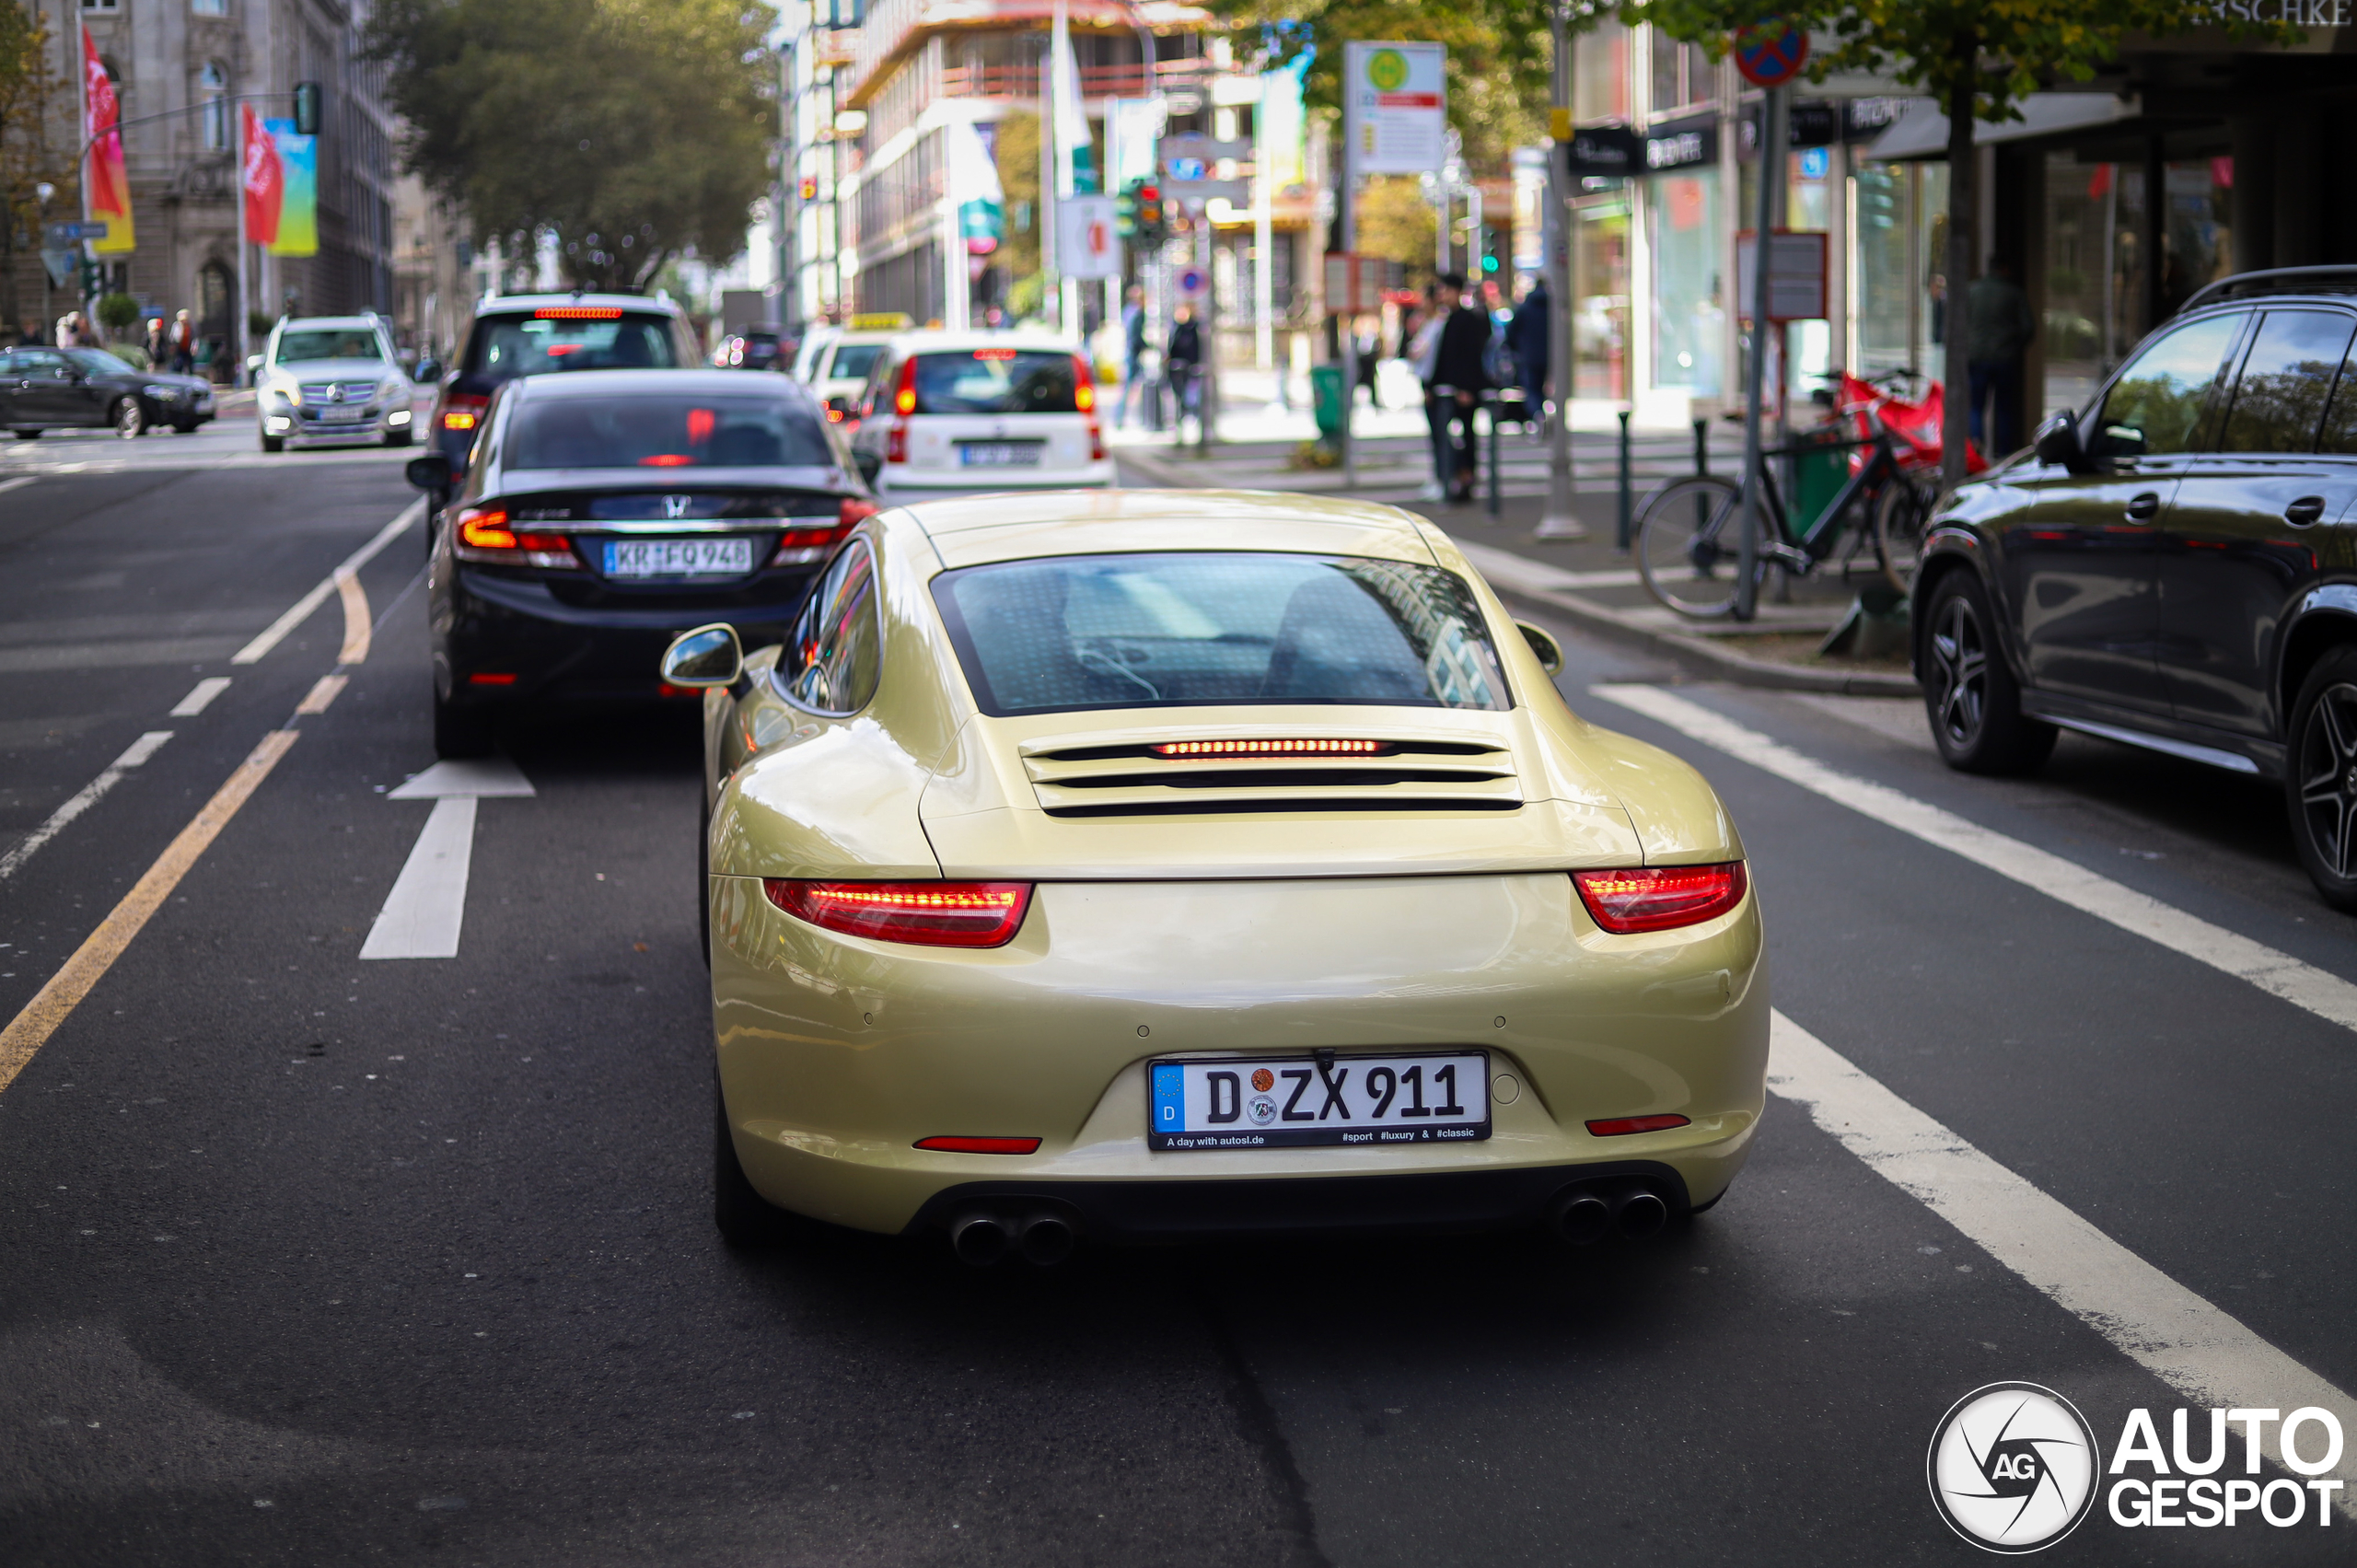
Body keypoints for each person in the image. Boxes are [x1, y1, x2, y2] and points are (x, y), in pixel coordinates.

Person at [1426, 273, 1492, 505]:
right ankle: (1457, 476)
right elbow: (1444, 358)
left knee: (1466, 435)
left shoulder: (1468, 319)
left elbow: (1470, 357)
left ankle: (1466, 478)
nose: (1442, 295)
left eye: (1445, 290)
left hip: (1463, 389)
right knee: (1449, 434)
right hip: (1448, 389)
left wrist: (1467, 388)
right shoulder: (1449, 319)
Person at [1966, 259, 2036, 454]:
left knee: (1976, 406)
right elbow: (2028, 328)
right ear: (2004, 269)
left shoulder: (1972, 291)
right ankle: (2004, 451)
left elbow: (1960, 324)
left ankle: (1977, 443)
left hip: (1978, 356)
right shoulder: (2013, 293)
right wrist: (2014, 347)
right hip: (2005, 358)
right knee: (2004, 408)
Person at [1406, 286, 1448, 500]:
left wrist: (1430, 386)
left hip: (1433, 385)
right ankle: (1439, 477)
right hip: (1426, 383)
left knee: (1440, 435)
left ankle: (1444, 478)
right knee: (1436, 436)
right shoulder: (1428, 324)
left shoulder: (1438, 325)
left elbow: (1427, 355)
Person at [1504, 276, 1550, 434]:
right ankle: (1540, 413)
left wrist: (1516, 348)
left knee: (1532, 388)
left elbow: (1510, 331)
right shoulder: (1551, 308)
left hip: (1528, 356)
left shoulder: (1525, 308)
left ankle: (1537, 414)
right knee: (1541, 387)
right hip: (1548, 356)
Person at [1166, 305, 1202, 444]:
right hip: (1176, 369)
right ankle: (1178, 426)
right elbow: (1171, 347)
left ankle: (1191, 418)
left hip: (1190, 368)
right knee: (1178, 398)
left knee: (1191, 396)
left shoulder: (1193, 328)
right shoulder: (1175, 327)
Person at [1114, 285, 1146, 427]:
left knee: (1126, 388)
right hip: (1133, 355)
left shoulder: (1128, 311)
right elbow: (1135, 336)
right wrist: (1147, 347)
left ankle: (1119, 419)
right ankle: (1121, 419)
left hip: (1128, 353)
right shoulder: (1137, 313)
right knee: (1133, 387)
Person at [169, 308, 196, 374]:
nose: (184, 322)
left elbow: (195, 337)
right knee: (178, 365)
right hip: (179, 349)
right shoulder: (176, 326)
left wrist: (194, 347)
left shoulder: (191, 326)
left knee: (190, 366)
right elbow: (173, 338)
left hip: (188, 349)